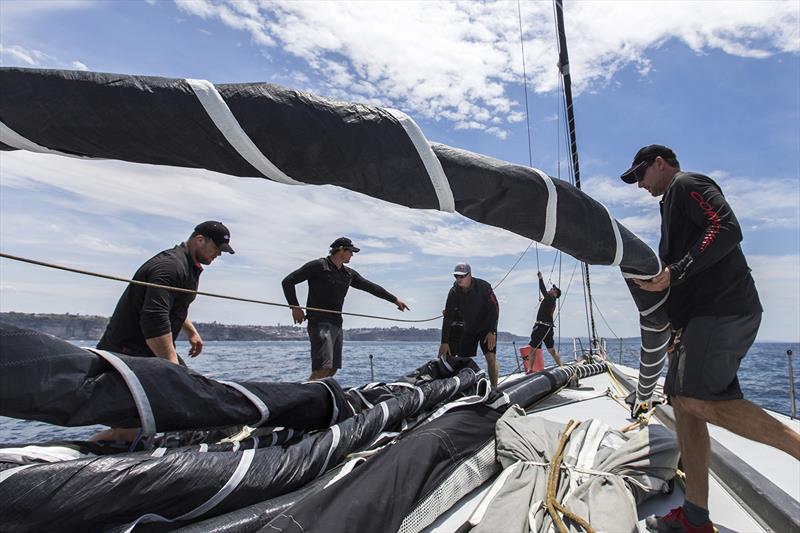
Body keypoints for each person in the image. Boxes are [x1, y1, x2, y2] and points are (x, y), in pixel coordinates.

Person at [619, 145, 800, 533]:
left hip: (724, 310)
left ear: (660, 164)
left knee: (694, 399)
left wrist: (676, 270)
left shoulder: (687, 184)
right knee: (682, 405)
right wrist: (678, 328)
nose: (639, 185)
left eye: (640, 175)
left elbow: (726, 228)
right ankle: (695, 517)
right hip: (702, 319)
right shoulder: (671, 205)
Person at [92, 220, 234, 442]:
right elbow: (154, 319)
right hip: (128, 353)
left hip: (148, 351)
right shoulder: (170, 267)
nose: (218, 254)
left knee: (193, 398)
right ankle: (79, 458)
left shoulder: (189, 266)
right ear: (199, 240)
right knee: (127, 430)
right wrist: (172, 369)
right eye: (216, 248)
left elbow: (172, 305)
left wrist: (191, 331)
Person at [282, 237, 409, 380]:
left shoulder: (348, 274)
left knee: (332, 369)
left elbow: (371, 287)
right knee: (322, 368)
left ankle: (320, 398)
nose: (352, 255)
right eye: (351, 251)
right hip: (319, 322)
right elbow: (288, 281)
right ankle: (306, 399)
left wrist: (395, 300)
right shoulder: (318, 266)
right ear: (341, 249)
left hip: (337, 323)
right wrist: (294, 307)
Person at [438, 263, 500, 387]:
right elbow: (448, 317)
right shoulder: (454, 291)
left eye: (462, 276)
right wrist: (444, 342)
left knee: (490, 357)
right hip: (469, 328)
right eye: (456, 276)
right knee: (461, 359)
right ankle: (461, 387)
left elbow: (495, 308)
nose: (459, 279)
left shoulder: (483, 286)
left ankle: (494, 389)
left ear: (470, 275)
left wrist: (492, 331)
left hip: (486, 327)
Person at [528, 271, 562, 366]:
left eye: (553, 289)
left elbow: (542, 289)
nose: (551, 289)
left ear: (555, 294)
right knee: (551, 350)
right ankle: (561, 366)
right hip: (548, 329)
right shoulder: (551, 301)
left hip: (541, 327)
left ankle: (530, 370)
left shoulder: (550, 299)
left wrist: (540, 278)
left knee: (533, 348)